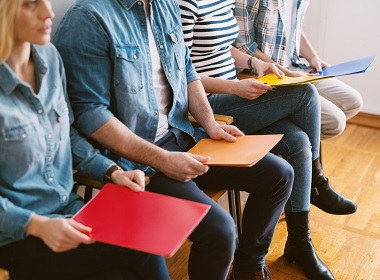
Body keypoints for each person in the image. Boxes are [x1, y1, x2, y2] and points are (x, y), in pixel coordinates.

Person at [52, 0, 295, 279]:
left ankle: (248, 268)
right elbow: (89, 115)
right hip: (137, 162)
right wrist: (163, 160)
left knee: (279, 175)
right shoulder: (87, 18)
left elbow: (186, 70)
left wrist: (210, 123)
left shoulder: (165, 5)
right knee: (220, 231)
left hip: (182, 136)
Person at [177, 0, 352, 278]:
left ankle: (297, 243)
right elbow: (180, 73)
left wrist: (253, 62)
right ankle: (317, 184)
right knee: (306, 94)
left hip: (233, 92)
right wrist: (234, 86)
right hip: (206, 104)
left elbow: (223, 47)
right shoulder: (185, 4)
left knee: (297, 142)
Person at [0, 0, 170, 279]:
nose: (48, 12)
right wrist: (36, 225)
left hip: (68, 212)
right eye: (31, 4)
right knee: (142, 247)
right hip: (17, 236)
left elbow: (66, 134)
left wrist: (111, 171)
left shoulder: (49, 58)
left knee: (133, 258)